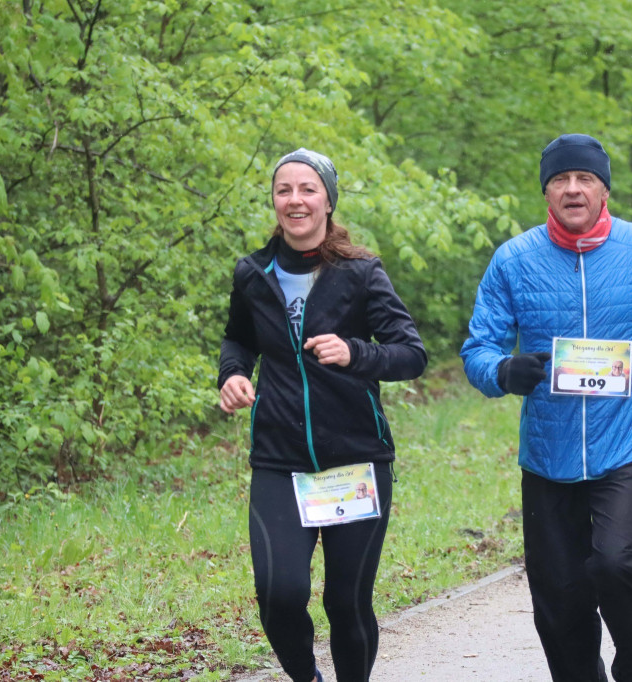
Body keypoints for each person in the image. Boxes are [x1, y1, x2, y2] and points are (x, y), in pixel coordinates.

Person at [461, 134, 632, 682]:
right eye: (560, 180)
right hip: (547, 455)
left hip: (625, 445)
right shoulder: (514, 260)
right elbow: (478, 348)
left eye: (585, 179)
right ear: (546, 191)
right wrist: (501, 371)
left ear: (603, 188)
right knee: (560, 595)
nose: (573, 189)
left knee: (617, 563)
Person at [218, 148, 427, 682]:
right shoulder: (252, 273)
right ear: (274, 201)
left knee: (346, 601)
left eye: (308, 190)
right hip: (279, 460)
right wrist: (233, 375)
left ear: (327, 201)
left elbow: (411, 353)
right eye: (284, 190)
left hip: (354, 459)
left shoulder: (359, 272)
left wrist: (357, 353)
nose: (295, 200)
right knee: (278, 594)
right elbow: (237, 340)